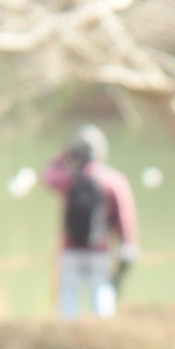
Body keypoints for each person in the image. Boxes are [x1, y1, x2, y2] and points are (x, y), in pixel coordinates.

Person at [45, 125, 136, 320]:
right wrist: (128, 245)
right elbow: (124, 218)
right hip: (100, 249)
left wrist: (64, 155)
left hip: (70, 249)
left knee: (68, 299)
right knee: (101, 296)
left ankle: (66, 336)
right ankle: (103, 336)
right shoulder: (113, 180)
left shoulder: (69, 179)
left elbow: (48, 177)